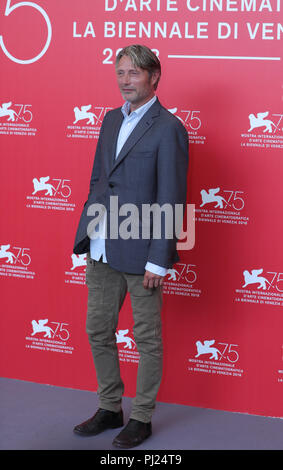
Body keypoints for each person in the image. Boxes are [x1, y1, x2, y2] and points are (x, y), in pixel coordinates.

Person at [73, 44, 189, 448]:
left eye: (133, 73)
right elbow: (98, 181)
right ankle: (110, 407)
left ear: (154, 77)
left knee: (147, 337)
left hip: (141, 254)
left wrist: (160, 259)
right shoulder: (108, 120)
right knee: (98, 330)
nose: (125, 80)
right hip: (102, 246)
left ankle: (141, 417)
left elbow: (171, 198)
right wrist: (88, 234)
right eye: (120, 72)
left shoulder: (169, 127)